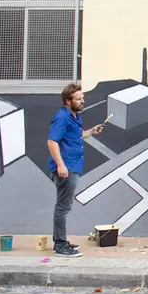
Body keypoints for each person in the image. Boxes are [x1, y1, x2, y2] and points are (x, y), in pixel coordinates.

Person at [47, 83, 105, 257]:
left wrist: (91, 132)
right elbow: (52, 141)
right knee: (63, 206)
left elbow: (75, 137)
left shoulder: (74, 117)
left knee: (64, 205)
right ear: (68, 100)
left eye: (82, 98)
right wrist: (61, 164)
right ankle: (60, 245)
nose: (82, 101)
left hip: (72, 166)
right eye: (78, 99)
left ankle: (61, 239)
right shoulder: (62, 117)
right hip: (66, 167)